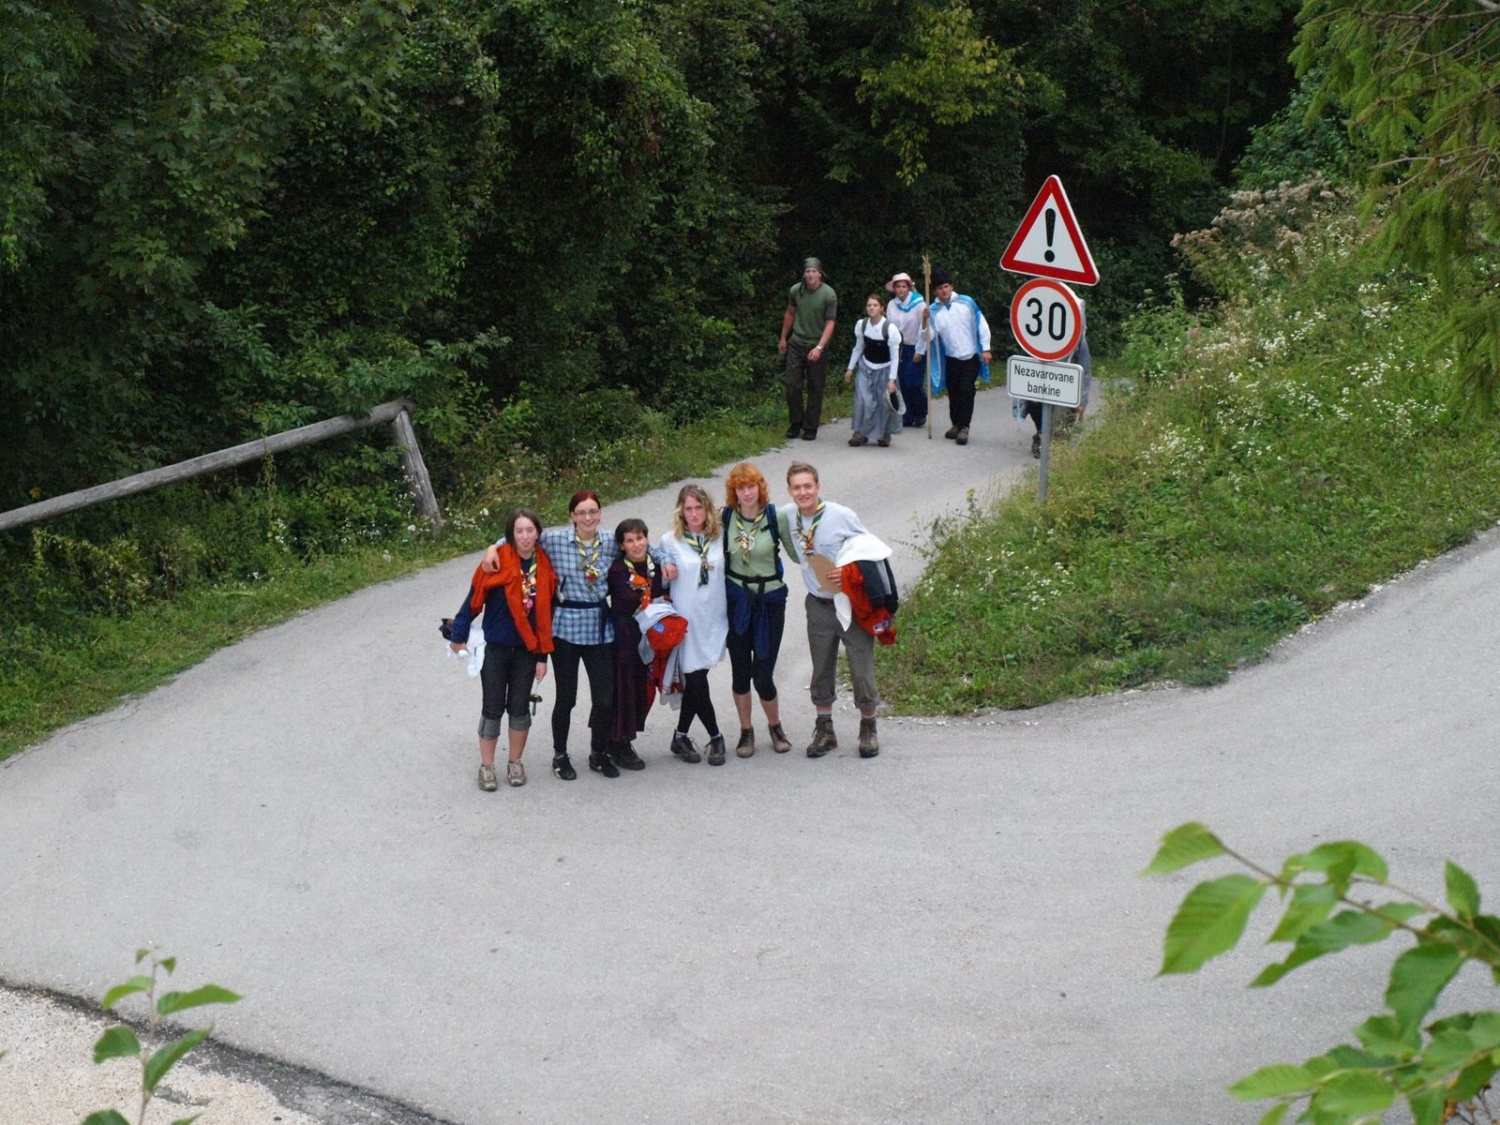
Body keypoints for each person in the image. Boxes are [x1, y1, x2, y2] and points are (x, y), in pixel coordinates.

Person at [482, 491, 673, 780]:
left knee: (604, 697)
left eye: (593, 512)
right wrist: (492, 549)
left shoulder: (610, 541)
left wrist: (667, 560)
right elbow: (521, 539)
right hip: (566, 629)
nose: (588, 518)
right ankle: (560, 755)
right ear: (572, 515)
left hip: (599, 627)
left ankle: (599, 752)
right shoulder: (556, 540)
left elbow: (648, 550)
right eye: (581, 512)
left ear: (600, 513)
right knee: (566, 698)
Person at [448, 508, 556, 791]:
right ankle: (486, 767)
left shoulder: (545, 566)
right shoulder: (494, 564)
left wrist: (542, 657)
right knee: (492, 708)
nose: (525, 536)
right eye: (519, 531)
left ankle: (515, 762)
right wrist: (458, 636)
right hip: (494, 649)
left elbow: (546, 616)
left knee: (520, 709)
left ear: (538, 533)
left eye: (530, 530)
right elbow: (473, 601)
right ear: (510, 535)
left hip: (527, 650)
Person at [784, 461, 883, 759]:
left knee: (861, 666)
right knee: (821, 666)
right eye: (797, 487)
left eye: (808, 486)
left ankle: (869, 728)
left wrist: (850, 571)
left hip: (850, 603)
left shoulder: (842, 516)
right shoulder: (787, 517)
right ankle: (825, 730)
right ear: (789, 491)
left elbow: (871, 551)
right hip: (818, 603)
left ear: (818, 487)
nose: (803, 492)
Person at [721, 462, 800, 757]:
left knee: (763, 675)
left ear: (760, 487)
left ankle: (775, 725)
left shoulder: (774, 516)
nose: (747, 492)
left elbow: (796, 552)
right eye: (741, 488)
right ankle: (746, 731)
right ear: (734, 492)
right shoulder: (727, 518)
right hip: (737, 600)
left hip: (770, 602)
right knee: (741, 673)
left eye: (751, 486)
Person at [659, 484, 730, 764]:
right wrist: (666, 567)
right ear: (681, 511)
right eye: (688, 508)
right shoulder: (670, 541)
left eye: (698, 507)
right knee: (695, 677)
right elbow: (661, 571)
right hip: (686, 621)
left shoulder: (720, 536)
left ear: (707, 509)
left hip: (713, 617)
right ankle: (716, 736)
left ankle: (680, 736)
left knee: (698, 678)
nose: (693, 513)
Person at [606, 518, 665, 768]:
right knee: (624, 690)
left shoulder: (655, 566)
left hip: (648, 635)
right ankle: (617, 742)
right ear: (622, 545)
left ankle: (623, 737)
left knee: (643, 688)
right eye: (629, 540)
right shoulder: (619, 571)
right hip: (625, 637)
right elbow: (633, 599)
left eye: (640, 538)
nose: (636, 544)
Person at [923, 267, 992, 447]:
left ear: (951, 286)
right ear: (935, 291)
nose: (943, 291)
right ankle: (955, 423)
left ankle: (965, 427)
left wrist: (986, 348)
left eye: (946, 287)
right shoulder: (933, 311)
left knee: (966, 389)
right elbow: (928, 337)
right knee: (953, 391)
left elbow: (981, 324)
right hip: (951, 357)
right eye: (939, 288)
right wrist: (924, 321)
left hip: (970, 356)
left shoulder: (966, 303)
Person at [1018, 300, 1092, 457]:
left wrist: (1082, 400)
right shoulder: (1035, 336)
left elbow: (1085, 369)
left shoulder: (1078, 339)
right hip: (1040, 383)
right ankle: (1042, 434)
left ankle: (1055, 441)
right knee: (1035, 406)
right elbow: (1025, 361)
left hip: (1065, 389)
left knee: (1061, 421)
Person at [778, 257, 838, 441]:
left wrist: (819, 347)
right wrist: (783, 338)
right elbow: (790, 312)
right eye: (807, 271)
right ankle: (796, 422)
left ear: (820, 273)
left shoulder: (829, 294)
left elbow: (830, 323)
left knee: (815, 388)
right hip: (797, 342)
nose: (810, 275)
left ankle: (811, 426)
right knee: (792, 385)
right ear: (804, 274)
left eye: (814, 271)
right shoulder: (796, 290)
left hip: (816, 343)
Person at [843, 293, 904, 448]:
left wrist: (891, 380)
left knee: (883, 403)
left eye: (875, 305)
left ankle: (884, 434)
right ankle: (859, 433)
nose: (871, 308)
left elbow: (895, 356)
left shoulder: (890, 328)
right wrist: (850, 368)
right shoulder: (862, 325)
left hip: (885, 369)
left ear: (881, 308)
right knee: (863, 401)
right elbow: (858, 347)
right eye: (869, 305)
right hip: (866, 367)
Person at [884, 272, 929, 428]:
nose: (900, 290)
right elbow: (890, 327)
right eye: (898, 287)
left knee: (913, 383)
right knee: (902, 382)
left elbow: (923, 327)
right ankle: (908, 416)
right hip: (899, 347)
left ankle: (921, 411)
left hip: (915, 346)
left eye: (903, 286)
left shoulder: (919, 304)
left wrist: (919, 350)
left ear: (909, 287)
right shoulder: (891, 305)